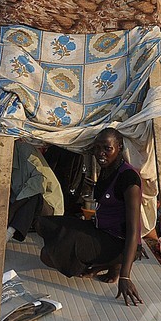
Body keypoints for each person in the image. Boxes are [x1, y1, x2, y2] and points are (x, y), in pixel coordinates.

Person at [36, 129, 144, 307]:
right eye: (97, 148)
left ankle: (112, 264)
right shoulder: (107, 170)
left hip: (117, 242)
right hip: (100, 231)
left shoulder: (128, 179)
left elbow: (133, 231)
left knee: (47, 255)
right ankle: (104, 264)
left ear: (119, 147)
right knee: (46, 224)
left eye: (107, 149)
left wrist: (125, 276)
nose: (100, 154)